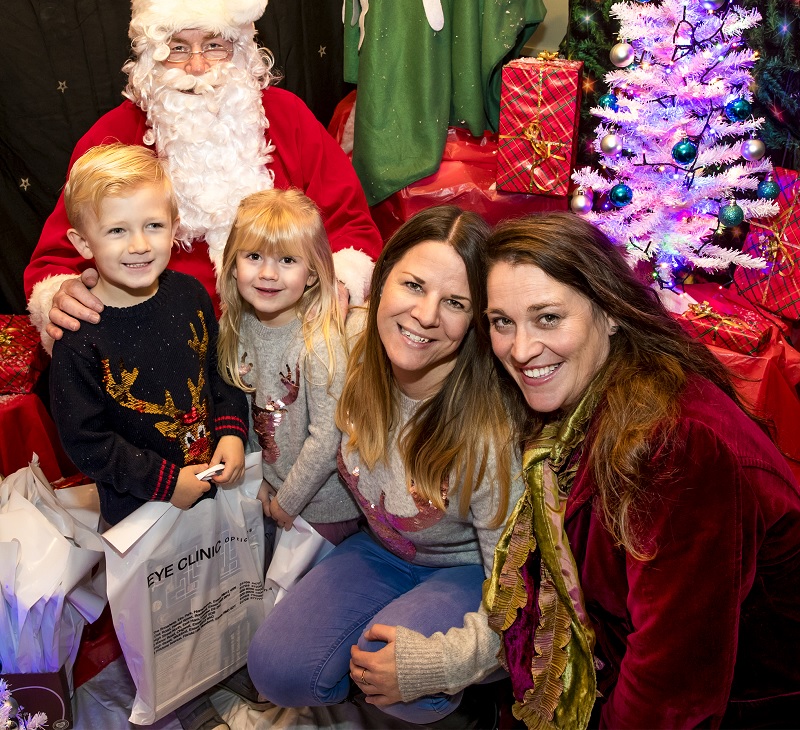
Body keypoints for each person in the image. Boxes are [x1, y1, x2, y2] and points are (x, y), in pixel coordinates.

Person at [472, 213, 800, 728]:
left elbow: (672, 693)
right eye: (501, 322)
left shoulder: (676, 446)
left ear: (610, 313)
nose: (520, 349)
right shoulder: (592, 402)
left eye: (548, 318)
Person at [24, 0, 381, 352]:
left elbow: (351, 227)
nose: (197, 67)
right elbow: (57, 256)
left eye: (214, 46)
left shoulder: (288, 118)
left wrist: (340, 281)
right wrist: (60, 294)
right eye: (177, 48)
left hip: (286, 336)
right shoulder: (114, 135)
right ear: (149, 57)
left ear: (242, 50)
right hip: (156, 347)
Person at [246, 206, 521, 726]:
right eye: (413, 285)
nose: (425, 315)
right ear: (381, 278)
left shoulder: (487, 430)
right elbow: (252, 331)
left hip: (471, 572)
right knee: (275, 669)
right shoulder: (341, 348)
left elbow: (522, 600)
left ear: (477, 320)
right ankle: (371, 675)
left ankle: (460, 700)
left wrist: (439, 663)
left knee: (402, 674)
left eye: (456, 302)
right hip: (380, 549)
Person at [49, 143, 247, 527]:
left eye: (153, 225)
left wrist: (232, 432)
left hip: (214, 492)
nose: (139, 245)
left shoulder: (191, 295)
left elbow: (220, 372)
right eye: (117, 230)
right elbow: (86, 441)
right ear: (83, 243)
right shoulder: (78, 339)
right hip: (138, 516)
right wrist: (165, 483)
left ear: (175, 227)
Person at [217, 189, 361, 546]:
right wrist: (260, 477)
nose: (267, 273)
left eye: (287, 261)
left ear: (312, 274)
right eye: (253, 256)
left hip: (324, 511)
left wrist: (288, 500)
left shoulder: (319, 344)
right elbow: (252, 414)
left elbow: (329, 436)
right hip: (272, 495)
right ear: (233, 266)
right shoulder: (237, 327)